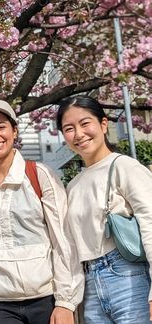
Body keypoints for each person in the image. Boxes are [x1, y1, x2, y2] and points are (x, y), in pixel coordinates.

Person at [0, 99, 83, 324]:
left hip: (45, 299)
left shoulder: (40, 175)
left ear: (14, 130)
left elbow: (63, 241)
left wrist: (65, 302)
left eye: (1, 126)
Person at [56, 95, 152, 323]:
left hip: (128, 277)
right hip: (89, 286)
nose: (78, 134)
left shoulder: (124, 166)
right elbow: (69, 245)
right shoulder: (72, 185)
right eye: (69, 128)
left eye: (85, 123)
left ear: (103, 124)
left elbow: (150, 224)